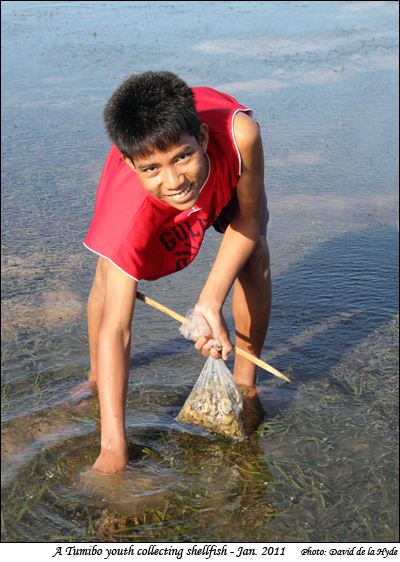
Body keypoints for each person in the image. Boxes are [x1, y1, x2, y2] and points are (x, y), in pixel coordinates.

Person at [83, 71, 271, 473]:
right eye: (151, 168)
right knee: (112, 277)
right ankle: (97, 378)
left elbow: (249, 219)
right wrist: (113, 449)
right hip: (132, 210)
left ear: (202, 138)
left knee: (254, 258)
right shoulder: (126, 213)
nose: (174, 180)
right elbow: (118, 330)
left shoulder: (242, 137)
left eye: (182, 156)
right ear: (130, 164)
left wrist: (209, 302)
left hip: (221, 168)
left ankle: (245, 383)